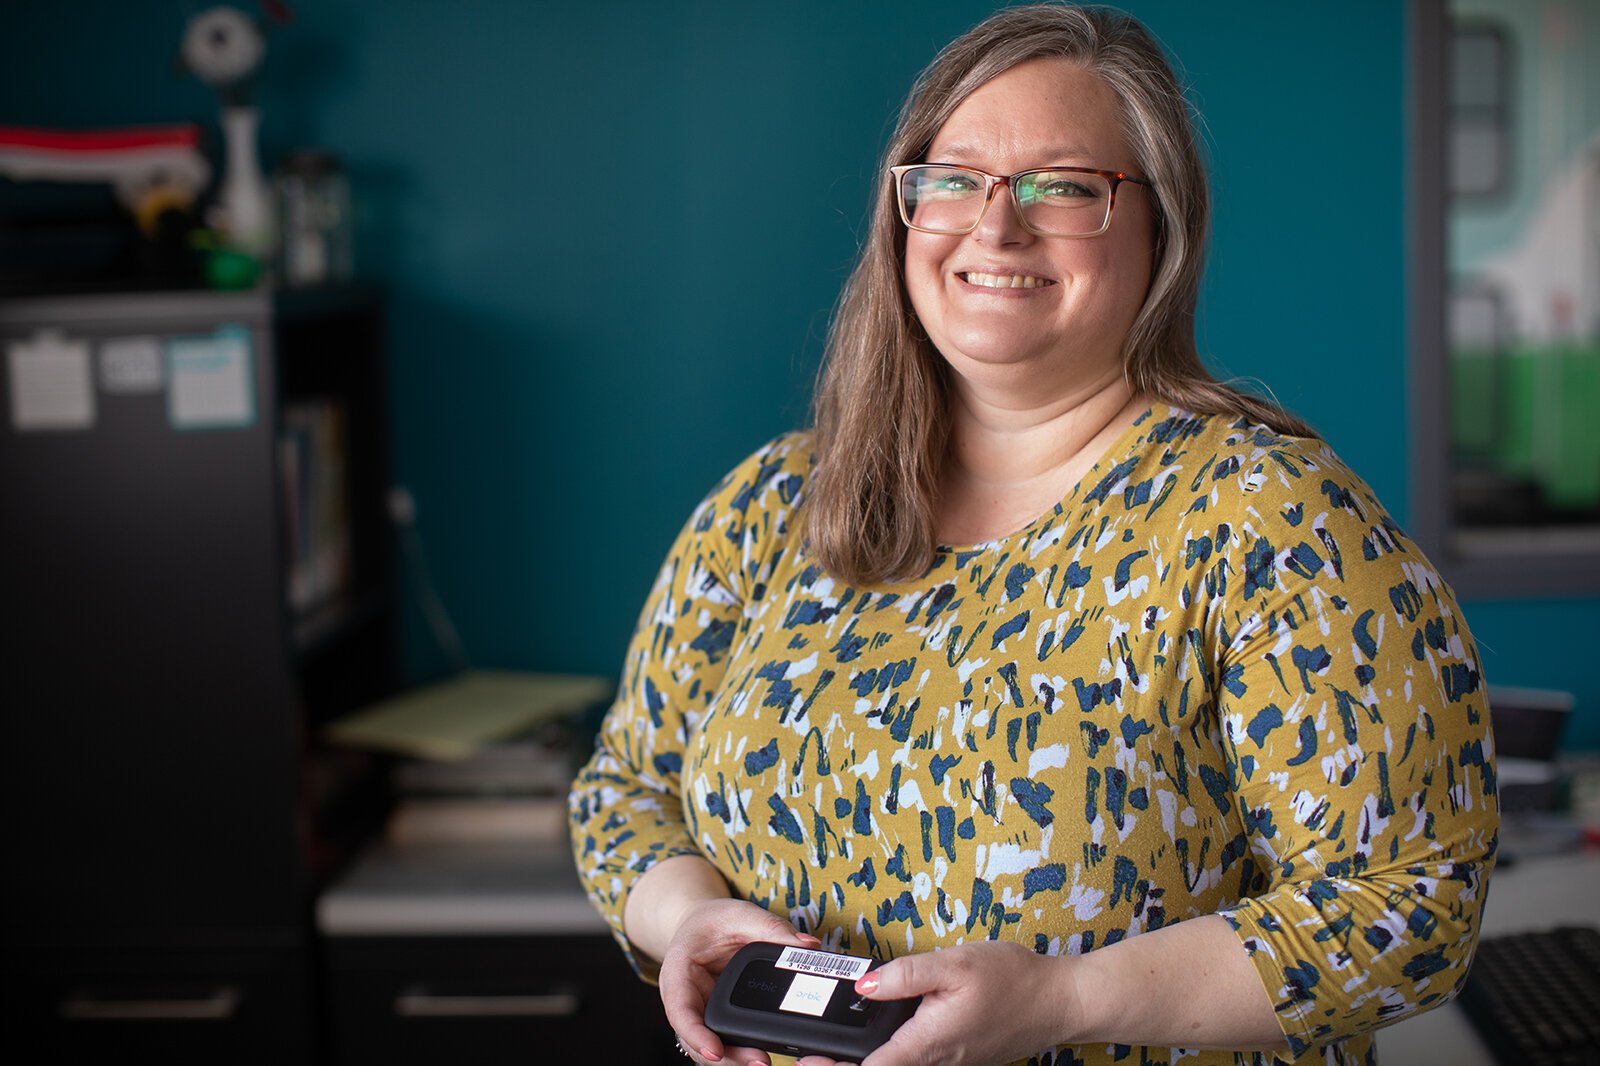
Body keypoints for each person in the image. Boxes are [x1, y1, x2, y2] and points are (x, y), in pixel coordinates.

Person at [568, 5, 1498, 1065]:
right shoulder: (772, 505)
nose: (994, 227)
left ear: (1162, 228)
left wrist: (1068, 999)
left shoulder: (1271, 522)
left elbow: (1411, 904)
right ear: (903, 214)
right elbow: (627, 790)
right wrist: (688, 919)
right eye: (952, 179)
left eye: (1063, 187)